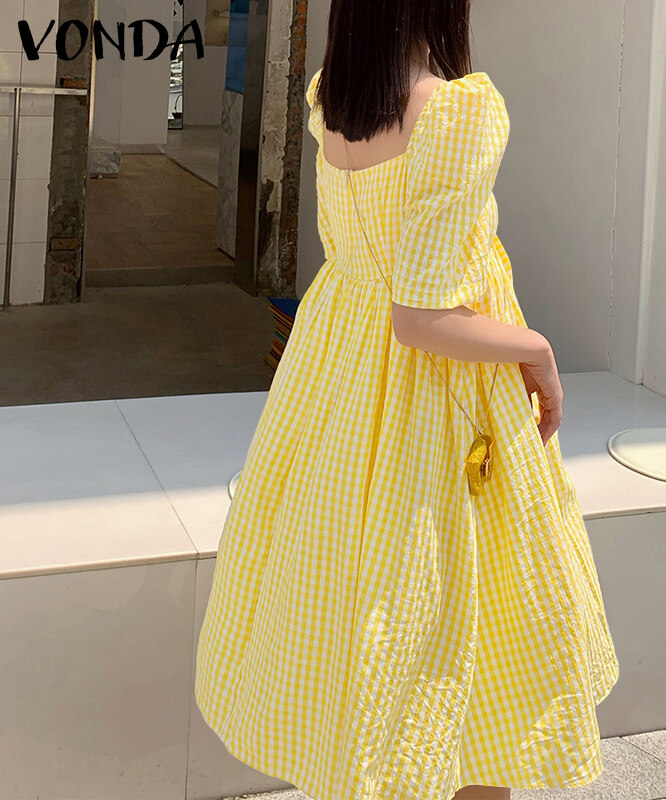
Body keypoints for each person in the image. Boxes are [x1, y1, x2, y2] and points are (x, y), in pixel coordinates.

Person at [194, 2, 619, 800]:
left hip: (340, 375)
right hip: (434, 394)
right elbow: (423, 318)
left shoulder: (333, 98)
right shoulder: (454, 112)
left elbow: (381, 287)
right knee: (471, 621)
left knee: (361, 590)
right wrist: (536, 349)